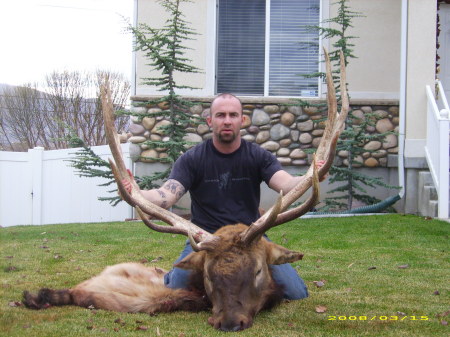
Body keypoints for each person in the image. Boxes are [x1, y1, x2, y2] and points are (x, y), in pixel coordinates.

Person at [122, 93, 324, 300]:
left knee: (296, 293)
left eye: (232, 115)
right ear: (210, 121)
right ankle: (172, 276)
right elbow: (165, 195)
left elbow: (286, 184)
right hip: (207, 238)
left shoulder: (257, 155)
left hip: (250, 238)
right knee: (177, 288)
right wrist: (137, 192)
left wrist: (311, 176)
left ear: (242, 120)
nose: (227, 120)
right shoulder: (192, 159)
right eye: (220, 115)